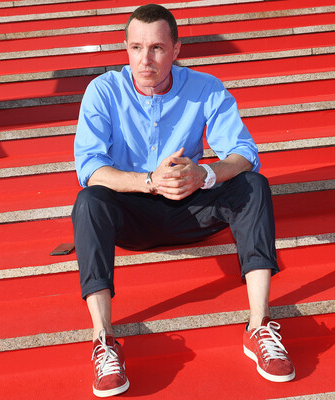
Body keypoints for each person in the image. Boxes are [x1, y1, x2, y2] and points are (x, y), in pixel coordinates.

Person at [71, 4, 295, 397]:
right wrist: (148, 181)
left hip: (192, 206)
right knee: (89, 200)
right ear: (125, 48)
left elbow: (244, 152)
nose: (145, 59)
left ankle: (258, 326)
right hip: (133, 212)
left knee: (253, 185)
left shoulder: (206, 87)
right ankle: (103, 340)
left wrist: (205, 174)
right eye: (137, 47)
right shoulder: (103, 91)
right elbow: (90, 167)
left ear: (176, 49)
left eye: (157, 48)